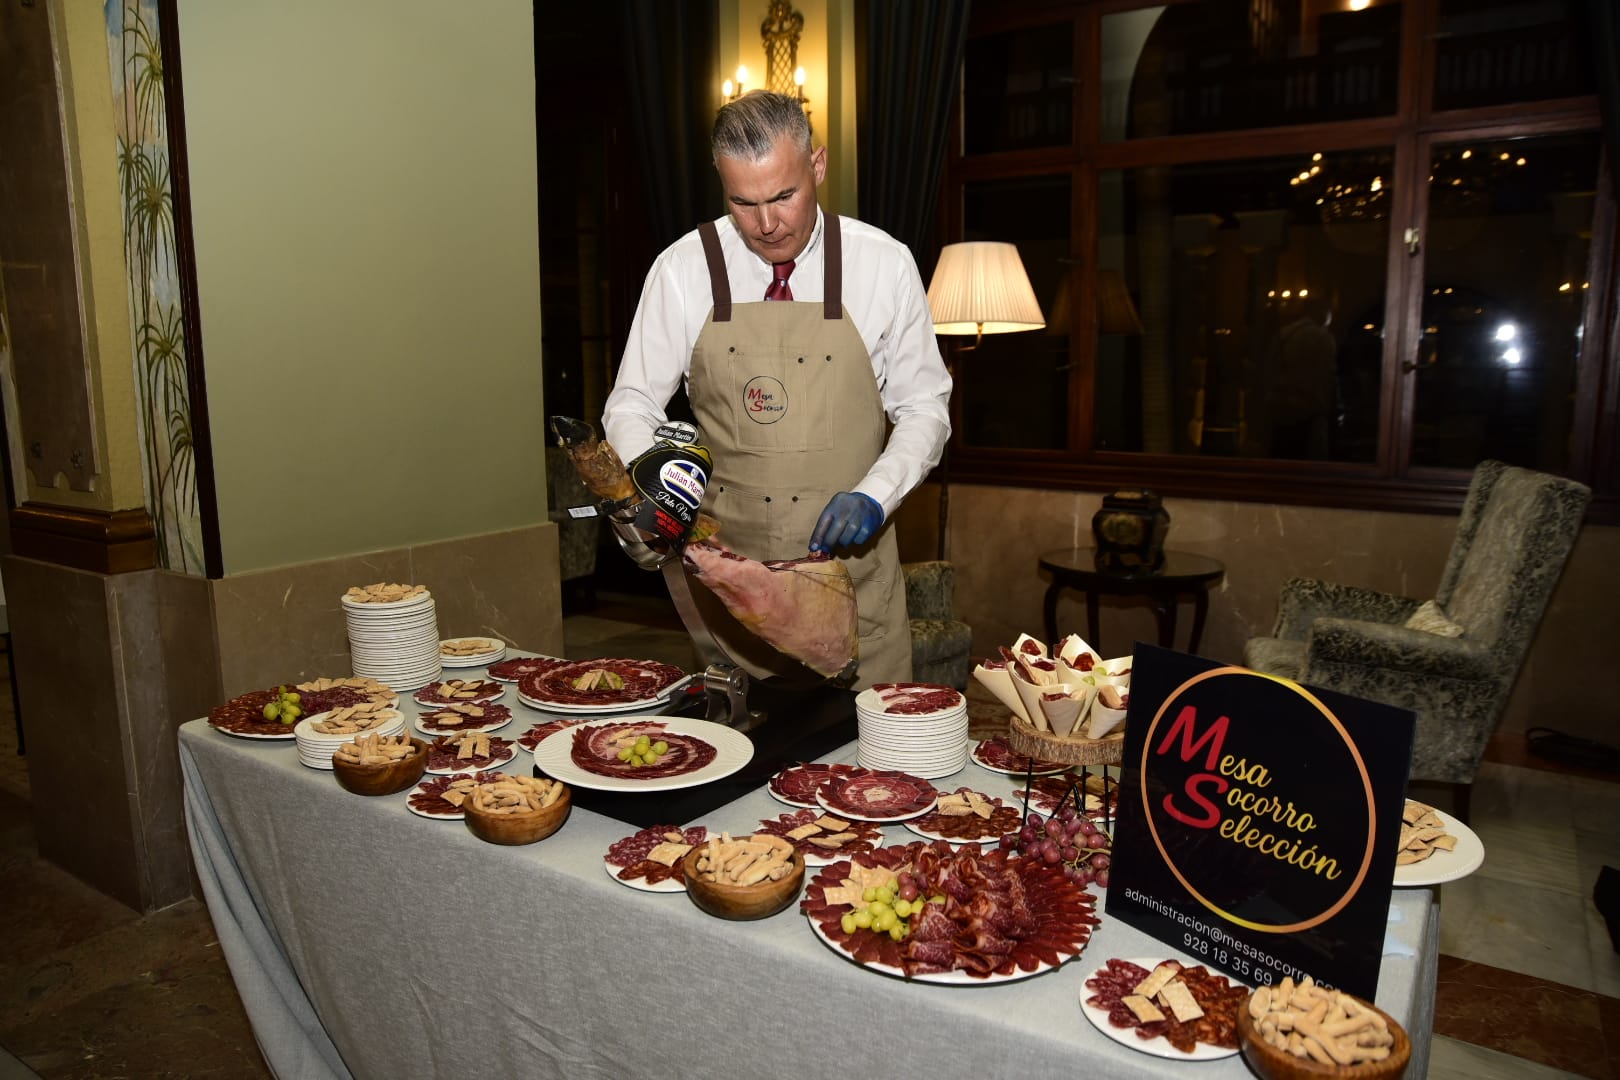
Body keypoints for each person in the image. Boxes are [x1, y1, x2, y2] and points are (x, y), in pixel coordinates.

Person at [602, 90, 952, 689]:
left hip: (854, 590)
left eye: (784, 196)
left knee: (871, 777)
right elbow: (630, 402)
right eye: (744, 202)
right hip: (734, 596)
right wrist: (656, 481)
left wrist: (877, 493)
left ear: (816, 166)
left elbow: (924, 408)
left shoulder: (883, 264)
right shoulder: (683, 268)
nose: (766, 225)